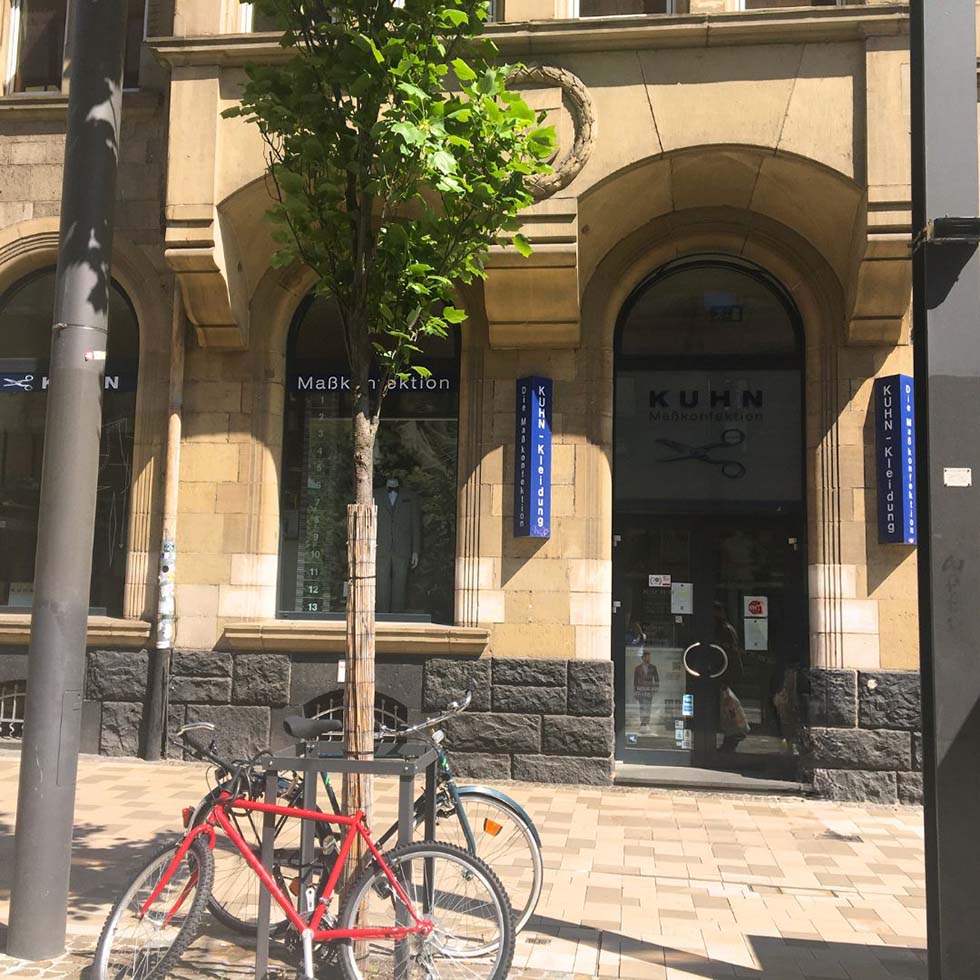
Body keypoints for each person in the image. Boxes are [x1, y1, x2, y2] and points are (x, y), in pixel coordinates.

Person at [713, 601, 748, 752]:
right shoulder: (724, 629)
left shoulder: (725, 630)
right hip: (724, 672)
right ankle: (731, 735)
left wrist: (725, 676)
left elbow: (730, 653)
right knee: (726, 705)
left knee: (728, 705)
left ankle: (734, 733)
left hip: (726, 673)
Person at [633, 649, 659, 731]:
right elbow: (635, 681)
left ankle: (647, 722)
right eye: (647, 657)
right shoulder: (637, 668)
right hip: (640, 690)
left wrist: (655, 689)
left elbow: (657, 680)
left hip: (649, 691)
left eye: (649, 657)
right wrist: (636, 692)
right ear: (643, 658)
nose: (649, 659)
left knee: (648, 707)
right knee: (642, 707)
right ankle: (642, 722)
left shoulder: (653, 667)